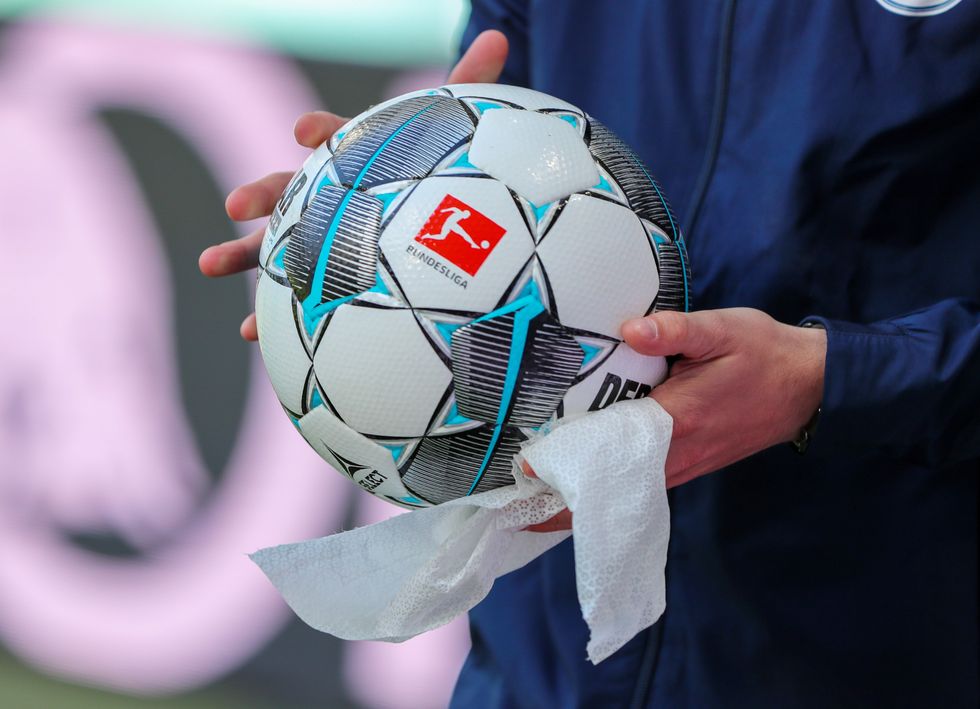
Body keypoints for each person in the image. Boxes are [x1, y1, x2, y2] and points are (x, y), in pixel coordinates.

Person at [201, 2, 979, 706]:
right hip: (544, 672)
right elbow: (505, 124)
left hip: (870, 645)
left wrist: (831, 379)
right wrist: (386, 205)